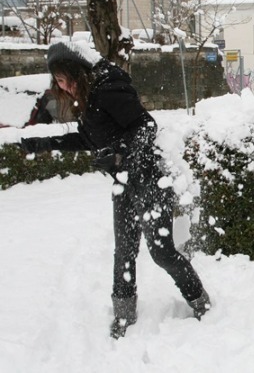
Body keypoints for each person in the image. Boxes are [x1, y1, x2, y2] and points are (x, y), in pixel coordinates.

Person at [18, 41, 211, 338]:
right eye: (56, 82)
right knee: (124, 252)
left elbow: (145, 126)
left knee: (162, 253)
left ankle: (200, 301)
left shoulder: (107, 89)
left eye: (61, 79)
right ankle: (123, 313)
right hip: (124, 182)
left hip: (150, 178)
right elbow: (88, 140)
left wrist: (120, 153)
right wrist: (45, 143)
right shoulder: (88, 98)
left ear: (74, 72)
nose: (62, 87)